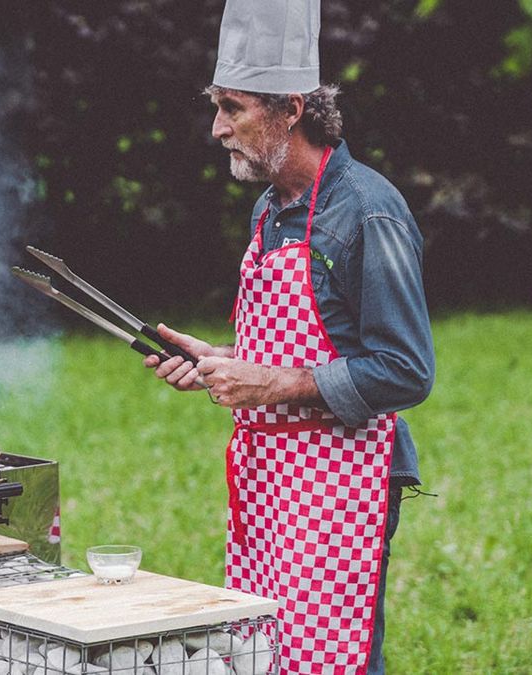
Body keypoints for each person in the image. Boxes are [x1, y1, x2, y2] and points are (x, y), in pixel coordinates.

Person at [144, 2, 434, 672]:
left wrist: (270, 383)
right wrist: (221, 361)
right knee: (263, 653)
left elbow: (406, 369)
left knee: (332, 655)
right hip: (270, 480)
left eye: (233, 108)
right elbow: (292, 345)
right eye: (217, 107)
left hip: (342, 482)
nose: (217, 128)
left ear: (291, 110)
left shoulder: (369, 212)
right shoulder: (268, 208)